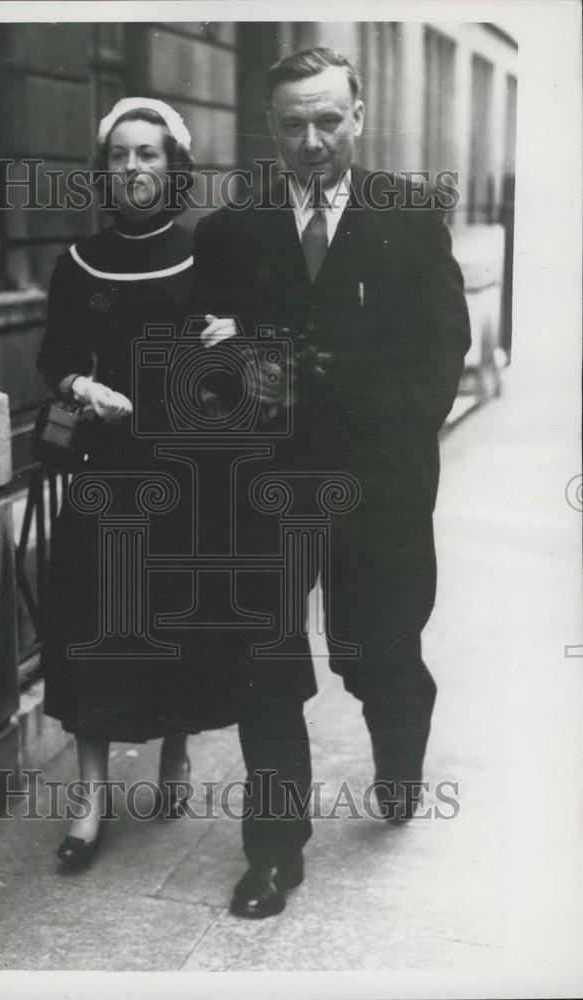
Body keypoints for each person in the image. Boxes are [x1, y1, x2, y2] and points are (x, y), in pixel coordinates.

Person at [187, 46, 471, 917]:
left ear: (357, 117)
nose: (311, 142)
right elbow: (203, 370)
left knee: (373, 650)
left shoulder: (409, 216)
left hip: (377, 485)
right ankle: (274, 853)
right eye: (292, 125)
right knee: (264, 661)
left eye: (327, 121)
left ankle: (397, 754)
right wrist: (226, 358)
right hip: (266, 489)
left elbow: (440, 353)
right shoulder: (231, 231)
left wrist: (389, 449)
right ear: (270, 128)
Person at [36, 97, 238, 871]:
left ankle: (175, 754)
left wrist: (226, 345)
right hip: (102, 471)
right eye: (120, 155)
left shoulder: (203, 255)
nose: (133, 169)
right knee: (89, 628)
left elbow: (233, 367)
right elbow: (52, 356)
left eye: (148, 154)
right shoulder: (76, 261)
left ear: (172, 166)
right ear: (106, 170)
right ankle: (90, 801)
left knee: (172, 625)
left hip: (182, 473)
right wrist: (81, 389)